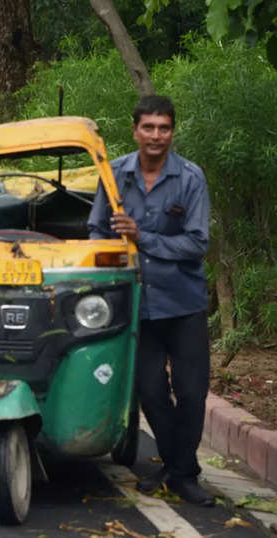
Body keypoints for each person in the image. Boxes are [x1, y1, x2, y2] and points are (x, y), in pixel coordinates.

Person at [87, 95, 214, 507]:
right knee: (150, 389)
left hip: (184, 301)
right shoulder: (114, 174)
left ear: (172, 131)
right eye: (149, 127)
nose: (156, 135)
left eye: (164, 128)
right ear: (135, 129)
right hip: (135, 301)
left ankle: (181, 472)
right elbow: (95, 230)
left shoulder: (191, 178)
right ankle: (180, 469)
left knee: (192, 393)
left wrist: (142, 236)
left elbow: (196, 243)